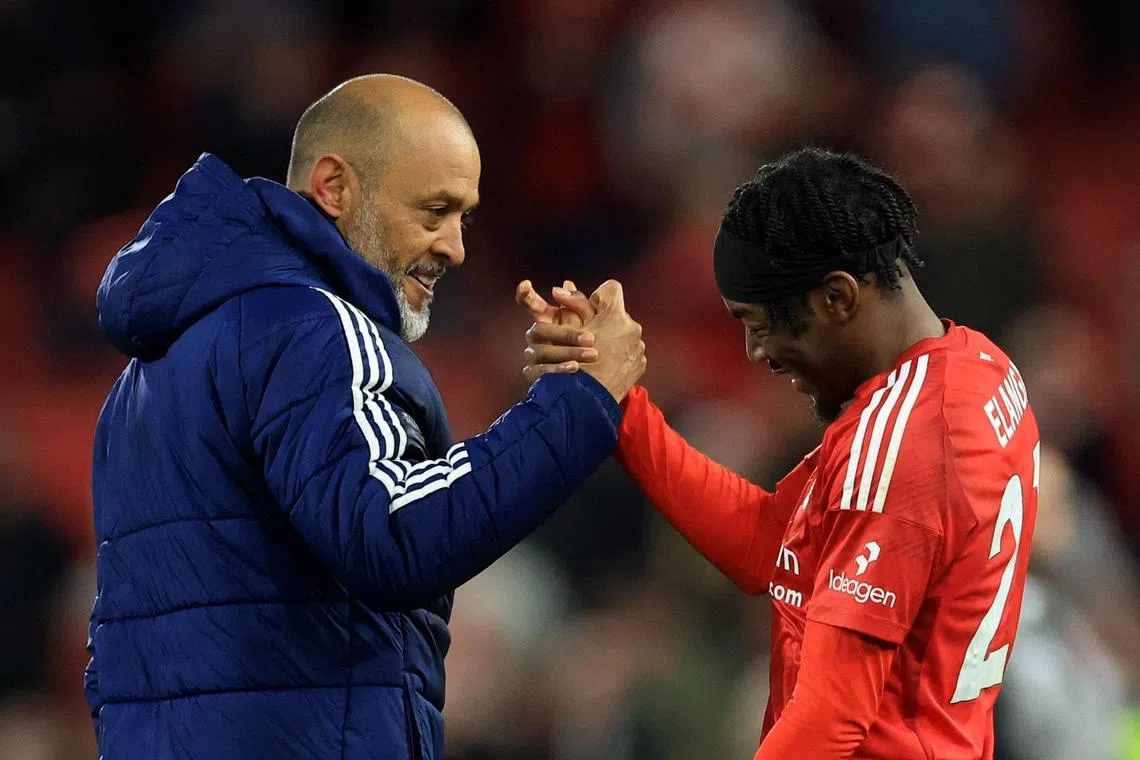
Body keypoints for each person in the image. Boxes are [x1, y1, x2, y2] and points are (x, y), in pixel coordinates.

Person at [85, 74, 645, 760]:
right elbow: (396, 536)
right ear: (334, 187)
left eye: (463, 218)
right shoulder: (316, 328)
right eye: (434, 211)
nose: (454, 247)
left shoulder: (152, 371)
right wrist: (581, 398)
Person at [520, 147, 1040, 758]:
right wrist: (620, 406)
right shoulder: (974, 370)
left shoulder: (906, 445)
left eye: (761, 323)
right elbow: (774, 546)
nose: (753, 352)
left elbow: (831, 720)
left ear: (838, 298)